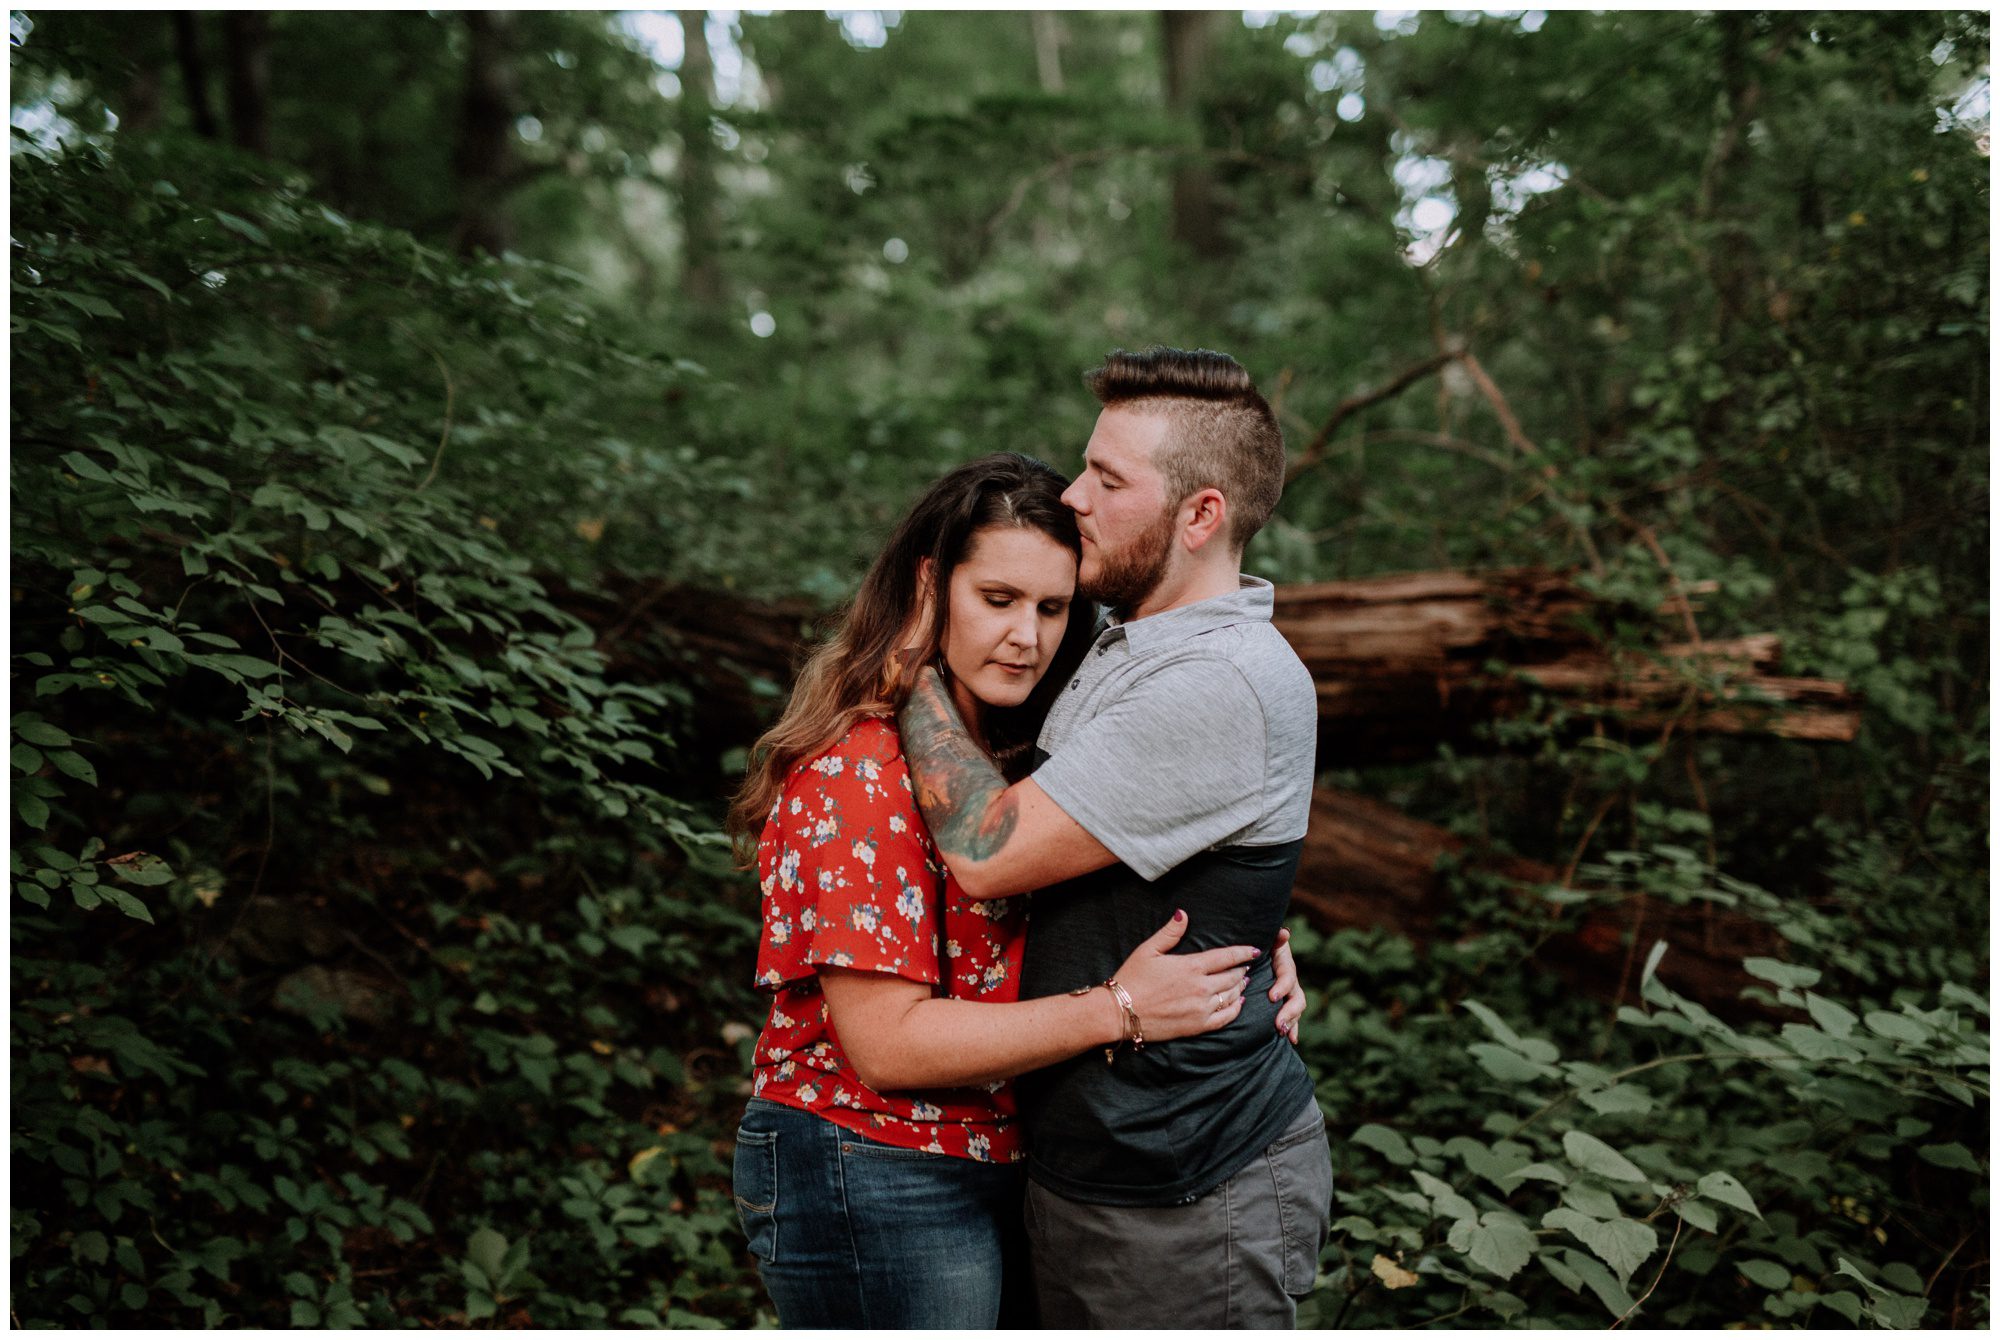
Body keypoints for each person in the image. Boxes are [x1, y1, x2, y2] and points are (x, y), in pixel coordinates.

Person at [724, 452, 1308, 1329]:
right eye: (997, 599)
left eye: (1051, 607)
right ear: (931, 588)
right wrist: (1119, 1009)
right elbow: (887, 1046)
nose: (1026, 636)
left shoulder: (1011, 763)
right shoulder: (859, 772)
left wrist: (1250, 953)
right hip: (872, 1157)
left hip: (1000, 1154)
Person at [897, 348, 1334, 1328]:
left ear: (1199, 515)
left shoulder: (1214, 680)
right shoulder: (1120, 636)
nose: (1072, 495)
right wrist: (1250, 919)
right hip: (1086, 1162)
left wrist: (910, 658)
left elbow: (988, 849)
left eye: (1107, 478)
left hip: (1187, 1190)